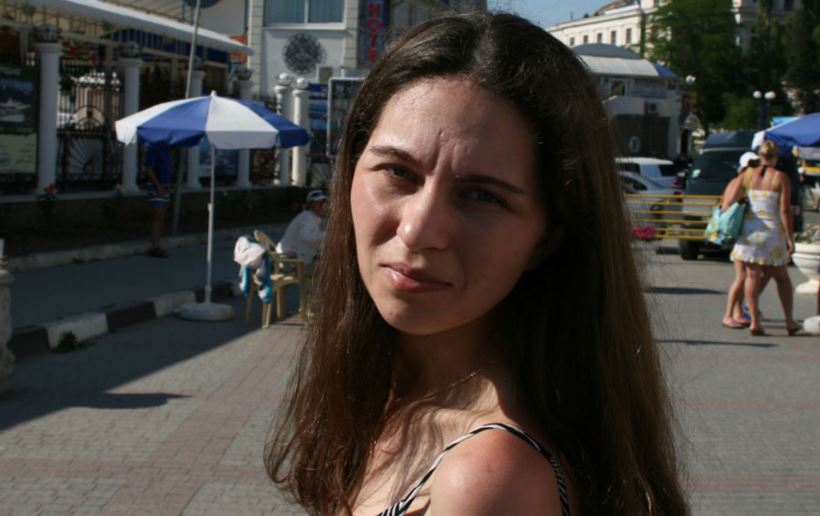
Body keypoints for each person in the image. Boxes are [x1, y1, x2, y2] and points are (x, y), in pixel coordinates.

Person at [266, 13, 689, 516]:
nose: (418, 230)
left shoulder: (486, 480)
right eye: (398, 172)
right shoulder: (389, 394)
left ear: (548, 237)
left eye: (482, 196)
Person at [728, 141, 799, 336]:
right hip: (771, 233)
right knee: (782, 278)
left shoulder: (748, 175)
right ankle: (789, 320)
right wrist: (790, 237)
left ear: (760, 156)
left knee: (752, 276)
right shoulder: (780, 177)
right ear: (776, 157)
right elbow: (784, 210)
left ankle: (755, 322)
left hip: (749, 233)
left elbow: (732, 198)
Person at [721, 152, 759, 329]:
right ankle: (729, 314)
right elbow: (728, 203)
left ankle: (737, 312)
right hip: (740, 233)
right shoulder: (742, 180)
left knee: (744, 276)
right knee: (742, 276)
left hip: (739, 233)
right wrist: (743, 201)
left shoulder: (737, 179)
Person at [275, 189, 327, 267]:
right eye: (319, 203)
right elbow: (307, 237)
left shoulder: (312, 217)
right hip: (289, 258)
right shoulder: (307, 218)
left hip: (294, 255)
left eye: (323, 203)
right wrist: (327, 235)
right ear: (311, 205)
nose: (323, 206)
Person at [144, 142, 173, 258]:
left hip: (165, 186)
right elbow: (149, 170)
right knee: (158, 216)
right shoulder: (153, 148)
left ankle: (156, 244)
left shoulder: (167, 150)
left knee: (162, 217)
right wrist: (158, 186)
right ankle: (154, 247)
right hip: (156, 187)